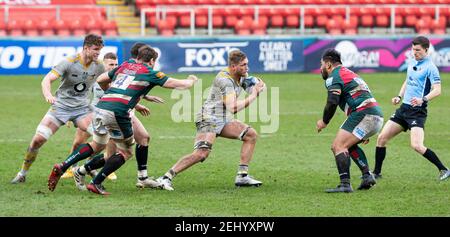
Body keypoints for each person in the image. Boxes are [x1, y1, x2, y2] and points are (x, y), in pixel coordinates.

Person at [47, 45, 199, 195]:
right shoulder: (150, 72)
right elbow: (180, 84)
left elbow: (100, 79)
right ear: (152, 61)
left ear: (137, 57)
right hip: (117, 112)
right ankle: (96, 183)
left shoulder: (126, 66)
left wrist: (112, 93)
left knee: (98, 145)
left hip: (101, 107)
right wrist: (191, 80)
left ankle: (65, 166)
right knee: (125, 152)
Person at [156, 49, 266, 191]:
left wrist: (254, 84)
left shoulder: (239, 75)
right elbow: (233, 108)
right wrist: (254, 94)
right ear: (233, 66)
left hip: (222, 118)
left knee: (250, 135)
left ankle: (242, 176)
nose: (247, 68)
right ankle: (165, 178)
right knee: (202, 153)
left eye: (247, 64)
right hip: (208, 117)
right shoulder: (225, 81)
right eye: (243, 65)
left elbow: (247, 83)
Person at [11, 34, 105, 184]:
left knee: (102, 139)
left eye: (99, 51)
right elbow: (47, 79)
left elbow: (109, 83)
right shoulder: (69, 62)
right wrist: (48, 95)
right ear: (86, 48)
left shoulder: (99, 65)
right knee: (37, 140)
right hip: (61, 107)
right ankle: (22, 173)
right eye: (95, 50)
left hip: (82, 109)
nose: (97, 53)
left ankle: (83, 169)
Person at [373, 36, 450, 181]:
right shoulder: (412, 62)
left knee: (417, 145)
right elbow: (408, 81)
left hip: (417, 112)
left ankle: (444, 169)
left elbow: (438, 90)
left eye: (418, 50)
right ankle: (376, 173)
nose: (414, 52)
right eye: (413, 49)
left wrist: (423, 99)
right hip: (404, 109)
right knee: (382, 138)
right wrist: (399, 96)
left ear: (426, 50)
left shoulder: (430, 68)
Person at [316, 48, 383, 193]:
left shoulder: (334, 77)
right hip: (375, 115)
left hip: (363, 114)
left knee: (338, 146)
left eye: (321, 64)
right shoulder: (350, 73)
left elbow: (332, 102)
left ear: (328, 64)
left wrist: (324, 121)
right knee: (349, 145)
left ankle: (345, 184)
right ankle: (367, 176)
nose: (320, 68)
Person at [61, 52, 120, 181]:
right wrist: (71, 114)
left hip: (109, 115)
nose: (114, 67)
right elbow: (79, 94)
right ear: (103, 64)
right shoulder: (93, 77)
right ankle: (72, 169)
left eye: (116, 64)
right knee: (77, 142)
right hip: (91, 113)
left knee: (105, 144)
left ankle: (103, 168)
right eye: (111, 64)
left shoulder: (120, 79)